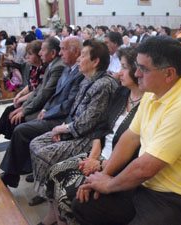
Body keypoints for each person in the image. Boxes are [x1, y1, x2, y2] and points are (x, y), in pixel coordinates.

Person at [72, 36, 181, 225]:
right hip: (148, 187)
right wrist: (105, 174)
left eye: (143, 69)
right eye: (136, 66)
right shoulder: (152, 94)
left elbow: (146, 167)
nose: (136, 74)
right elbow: (131, 137)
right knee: (84, 205)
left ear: (168, 74)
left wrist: (109, 184)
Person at [42, 47, 143, 225]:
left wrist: (101, 163)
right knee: (54, 171)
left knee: (70, 192)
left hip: (117, 164)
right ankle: (56, 219)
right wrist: (94, 155)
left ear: (138, 71)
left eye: (124, 67)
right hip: (99, 155)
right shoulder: (122, 93)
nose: (119, 73)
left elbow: (137, 150)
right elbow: (102, 125)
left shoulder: (147, 104)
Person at [29, 39, 118, 201]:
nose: (78, 59)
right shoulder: (87, 79)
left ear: (95, 61)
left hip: (90, 138)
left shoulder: (103, 84)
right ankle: (47, 193)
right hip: (75, 130)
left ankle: (50, 199)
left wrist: (61, 130)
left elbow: (87, 123)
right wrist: (62, 128)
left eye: (83, 55)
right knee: (35, 143)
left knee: (44, 153)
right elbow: (74, 111)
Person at [0, 37, 65, 187]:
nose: (41, 54)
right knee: (14, 114)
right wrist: (23, 107)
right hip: (47, 107)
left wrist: (26, 110)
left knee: (20, 126)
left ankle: (15, 170)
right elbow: (39, 91)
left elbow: (45, 94)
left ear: (52, 53)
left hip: (54, 112)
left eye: (43, 50)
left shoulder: (57, 67)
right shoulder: (53, 65)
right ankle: (20, 165)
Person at [0, 40, 46, 140]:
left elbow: (37, 91)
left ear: (39, 55)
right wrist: (19, 95)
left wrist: (21, 100)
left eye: (30, 54)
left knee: (12, 112)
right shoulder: (34, 67)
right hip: (31, 98)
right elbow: (30, 85)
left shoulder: (44, 69)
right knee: (9, 110)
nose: (27, 57)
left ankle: (15, 143)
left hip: (37, 102)